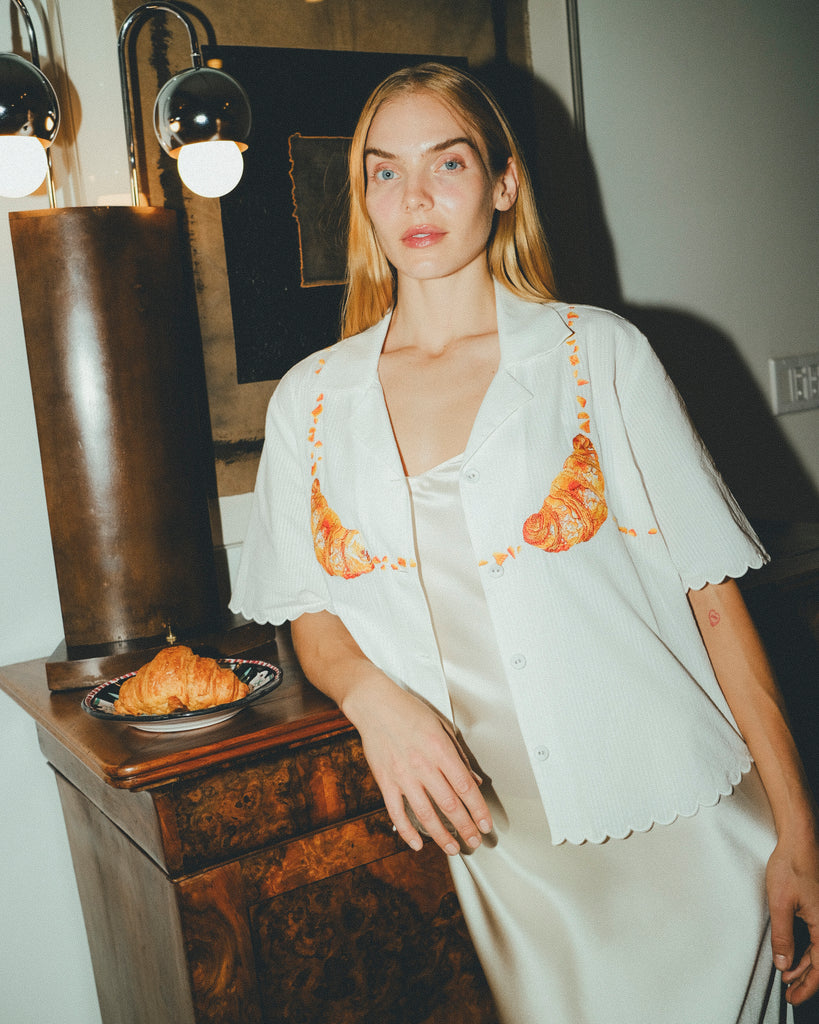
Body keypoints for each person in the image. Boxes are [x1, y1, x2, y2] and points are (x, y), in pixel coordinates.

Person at [231, 62, 818, 1022]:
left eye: (447, 163)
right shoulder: (311, 401)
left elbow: (712, 601)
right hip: (503, 849)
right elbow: (310, 611)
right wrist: (374, 700)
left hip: (686, 826)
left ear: (503, 184)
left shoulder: (598, 354)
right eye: (384, 171)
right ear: (362, 200)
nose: (414, 197)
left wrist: (798, 832)